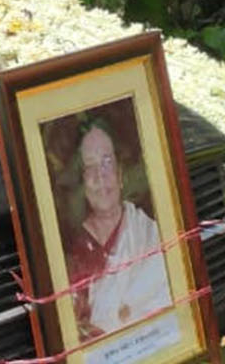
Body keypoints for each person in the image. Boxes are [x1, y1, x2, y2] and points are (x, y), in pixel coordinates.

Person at [63, 120, 171, 339]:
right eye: (89, 167)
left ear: (120, 175)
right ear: (81, 182)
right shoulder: (73, 251)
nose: (100, 176)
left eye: (107, 162)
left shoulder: (151, 235)